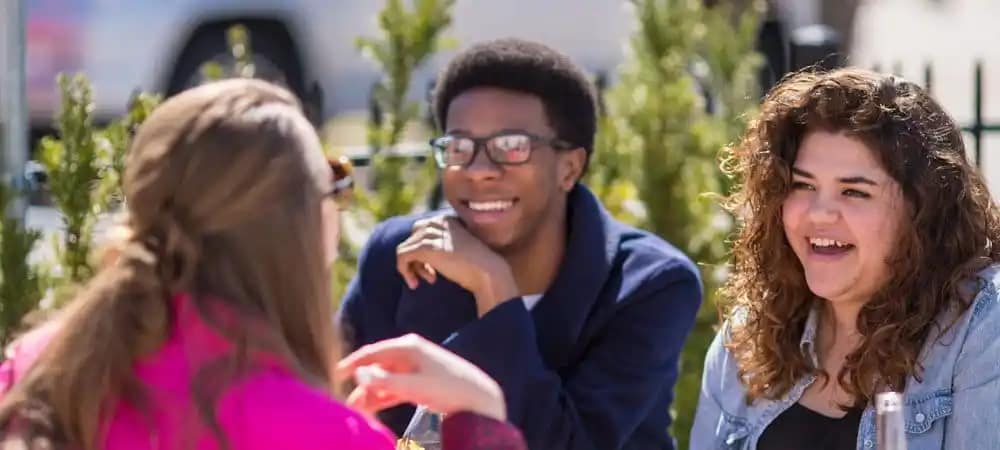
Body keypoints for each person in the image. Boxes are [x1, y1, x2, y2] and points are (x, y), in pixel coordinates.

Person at [0, 79, 525, 450]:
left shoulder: (38, 370)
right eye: (332, 183)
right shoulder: (320, 434)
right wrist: (481, 417)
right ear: (294, 225)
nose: (338, 204)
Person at [338, 38, 703, 450]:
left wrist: (494, 287)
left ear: (570, 168)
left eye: (511, 147)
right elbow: (328, 399)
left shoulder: (648, 285)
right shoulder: (399, 256)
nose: (478, 170)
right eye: (458, 148)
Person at [690, 68, 1000, 449]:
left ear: (922, 210)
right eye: (803, 185)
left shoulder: (982, 329)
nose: (819, 213)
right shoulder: (748, 337)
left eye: (854, 192)